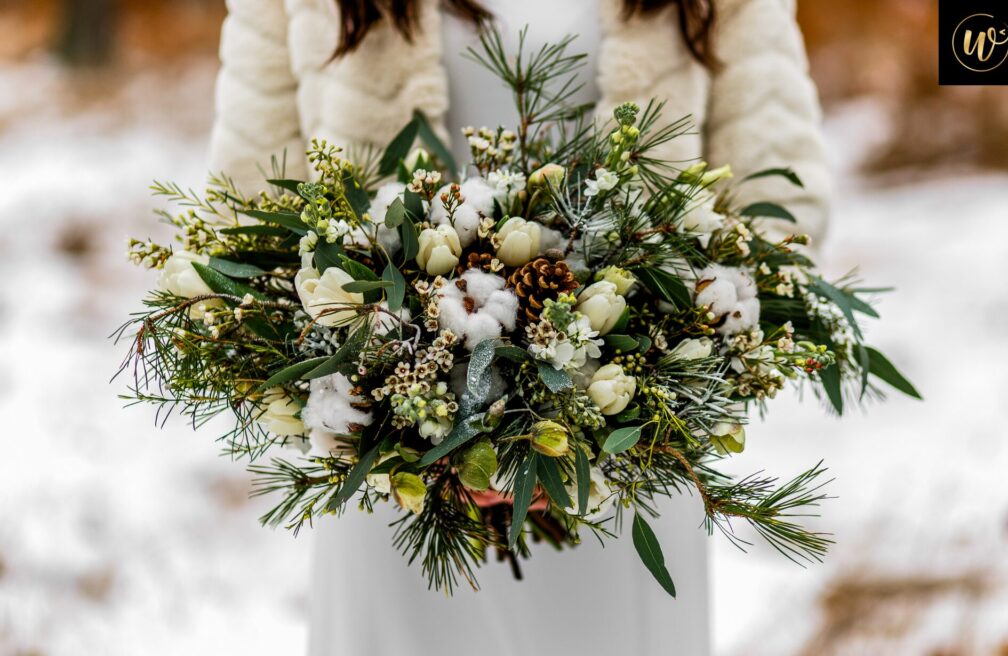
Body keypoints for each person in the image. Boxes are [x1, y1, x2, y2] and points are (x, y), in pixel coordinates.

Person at [209, 1, 830, 653]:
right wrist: (417, 431)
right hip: (399, 480)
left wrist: (616, 408)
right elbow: (246, 215)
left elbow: (781, 208)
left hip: (618, 467)